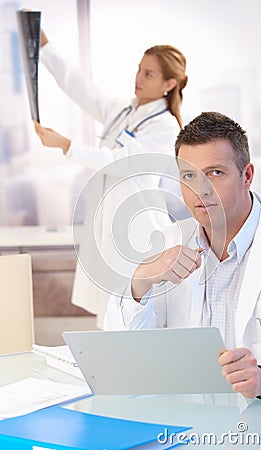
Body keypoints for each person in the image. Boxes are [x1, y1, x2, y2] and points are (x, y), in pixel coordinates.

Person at [104, 111, 261, 399]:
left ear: (247, 176)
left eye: (215, 173)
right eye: (188, 176)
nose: (200, 190)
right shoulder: (170, 241)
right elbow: (127, 351)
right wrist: (141, 279)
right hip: (190, 417)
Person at [34, 29, 188, 328]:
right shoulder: (124, 110)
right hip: (109, 226)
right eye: (139, 70)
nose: (139, 78)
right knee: (109, 313)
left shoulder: (166, 127)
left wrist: (67, 145)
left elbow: (121, 163)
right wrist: (45, 47)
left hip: (138, 231)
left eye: (149, 74)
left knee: (133, 313)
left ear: (169, 84)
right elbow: (80, 87)